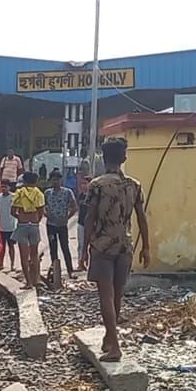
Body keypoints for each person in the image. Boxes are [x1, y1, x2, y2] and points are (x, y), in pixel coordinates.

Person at [82, 137, 151, 362]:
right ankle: (109, 339)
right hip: (125, 245)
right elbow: (142, 218)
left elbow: (90, 218)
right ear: (124, 158)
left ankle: (115, 346)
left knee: (106, 295)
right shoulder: (134, 185)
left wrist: (83, 250)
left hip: (102, 246)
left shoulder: (97, 185)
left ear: (103, 157)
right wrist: (147, 247)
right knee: (117, 294)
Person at [12, 172, 46, 288]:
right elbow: (41, 212)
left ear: (24, 182)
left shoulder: (19, 193)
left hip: (22, 225)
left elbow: (13, 211)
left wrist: (20, 217)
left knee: (23, 255)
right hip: (34, 225)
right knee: (34, 254)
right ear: (35, 182)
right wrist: (36, 221)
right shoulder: (39, 193)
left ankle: (28, 282)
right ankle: (36, 279)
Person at [44, 168, 78, 280]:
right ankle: (55, 272)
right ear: (51, 181)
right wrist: (47, 215)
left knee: (65, 247)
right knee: (53, 248)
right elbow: (42, 207)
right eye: (53, 180)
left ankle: (70, 271)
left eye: (57, 180)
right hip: (51, 224)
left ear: (61, 180)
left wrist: (67, 217)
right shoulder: (47, 193)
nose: (55, 182)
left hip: (62, 225)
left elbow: (74, 207)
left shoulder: (67, 192)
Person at [0, 182, 18, 270]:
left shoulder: (14, 197)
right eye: (2, 187)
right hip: (1, 226)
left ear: (9, 187)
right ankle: (1, 263)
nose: (4, 188)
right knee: (2, 247)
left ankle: (12, 265)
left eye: (5, 187)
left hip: (11, 226)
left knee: (11, 246)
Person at [76, 174, 92, 271]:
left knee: (91, 245)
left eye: (85, 184)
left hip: (91, 223)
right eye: (82, 184)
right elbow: (78, 207)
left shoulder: (94, 196)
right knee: (81, 244)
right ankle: (80, 263)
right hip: (81, 223)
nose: (83, 186)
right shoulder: (81, 195)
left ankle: (90, 264)